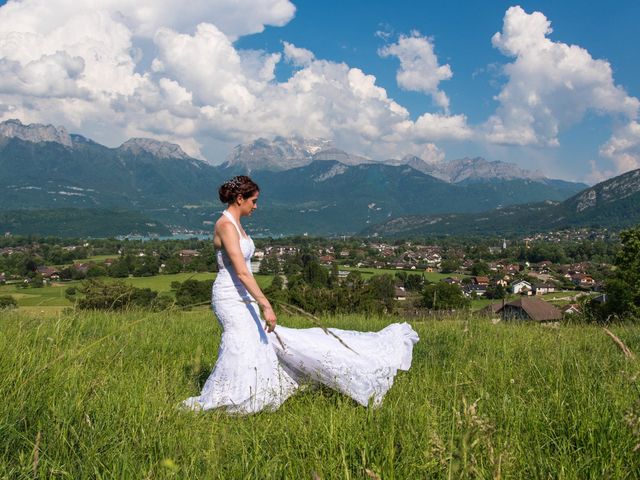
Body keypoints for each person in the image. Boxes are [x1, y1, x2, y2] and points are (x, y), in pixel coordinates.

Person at [182, 175, 419, 414]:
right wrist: (266, 304)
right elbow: (242, 272)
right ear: (240, 198)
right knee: (240, 343)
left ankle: (253, 393)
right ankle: (229, 397)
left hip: (244, 295)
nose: (256, 206)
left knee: (263, 342)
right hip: (230, 297)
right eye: (253, 201)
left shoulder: (237, 224)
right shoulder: (225, 225)